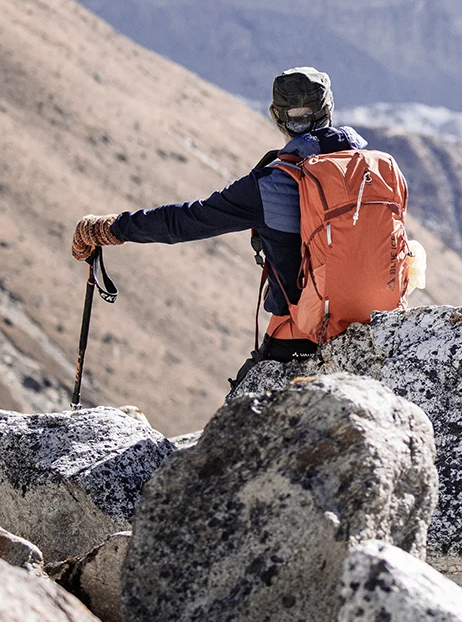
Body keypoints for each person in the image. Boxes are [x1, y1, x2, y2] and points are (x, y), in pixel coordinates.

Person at [71, 66, 416, 390]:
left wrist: (112, 228)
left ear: (277, 118)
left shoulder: (271, 184)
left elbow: (185, 222)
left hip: (300, 337)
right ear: (329, 111)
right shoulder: (381, 168)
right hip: (377, 326)